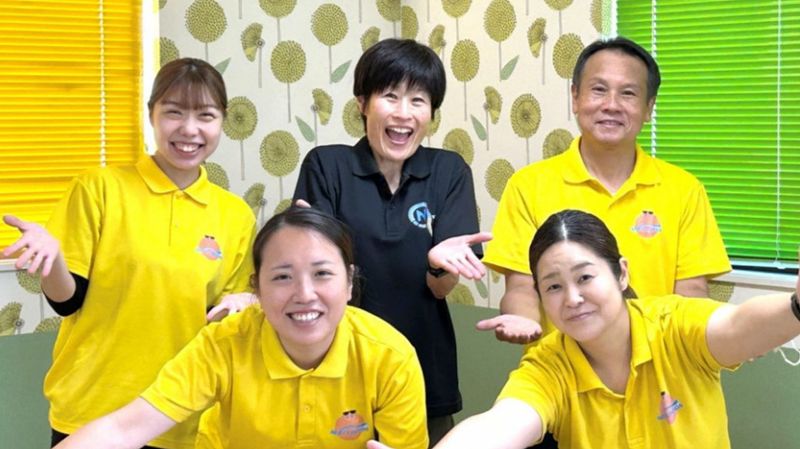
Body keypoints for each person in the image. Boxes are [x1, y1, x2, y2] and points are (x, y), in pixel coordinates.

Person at [369, 209, 800, 449]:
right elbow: (501, 425)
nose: (572, 298)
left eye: (585, 277)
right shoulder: (550, 365)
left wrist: (795, 305)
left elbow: (737, 327)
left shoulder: (672, 325)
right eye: (553, 286)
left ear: (621, 273)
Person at [2, 58, 256, 449]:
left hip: (180, 414)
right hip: (91, 411)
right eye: (174, 112)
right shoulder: (98, 189)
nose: (189, 129)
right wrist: (52, 261)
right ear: (151, 114)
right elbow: (68, 300)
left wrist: (247, 304)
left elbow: (223, 321)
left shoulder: (235, 215)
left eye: (205, 115)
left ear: (222, 121)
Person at [51, 207, 428, 449]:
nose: (304, 294)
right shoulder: (224, 344)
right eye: (282, 276)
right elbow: (124, 428)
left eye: (322, 274)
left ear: (348, 283)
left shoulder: (390, 356)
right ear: (257, 290)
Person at [293, 38, 490, 446]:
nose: (403, 113)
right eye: (390, 96)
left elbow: (440, 287)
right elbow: (318, 273)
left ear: (431, 113)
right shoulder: (327, 166)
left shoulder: (448, 172)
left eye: (418, 100)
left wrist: (438, 264)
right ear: (362, 103)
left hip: (423, 368)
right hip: (340, 368)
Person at [479, 37, 731, 345]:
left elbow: (691, 294)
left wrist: (728, 333)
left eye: (628, 93)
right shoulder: (528, 186)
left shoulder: (684, 190)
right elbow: (521, 287)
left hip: (656, 364)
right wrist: (524, 320)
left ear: (649, 107)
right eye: (598, 89)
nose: (611, 105)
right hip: (561, 366)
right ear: (575, 97)